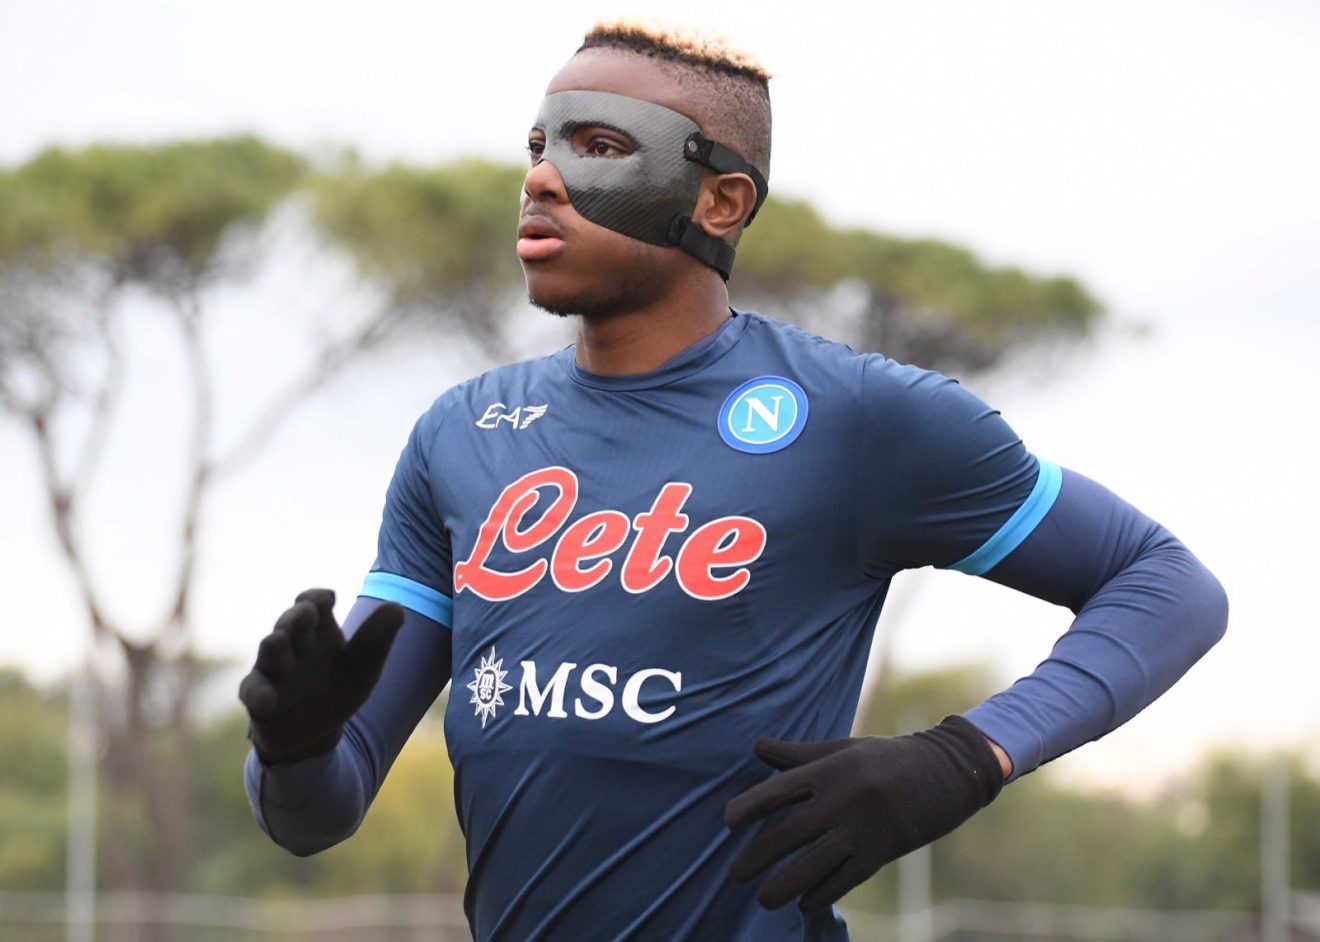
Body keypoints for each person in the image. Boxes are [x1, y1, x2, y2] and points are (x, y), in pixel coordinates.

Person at [239, 19, 1228, 942]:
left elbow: (1167, 586)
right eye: (538, 147)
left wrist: (964, 757)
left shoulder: (859, 418)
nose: (541, 179)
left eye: (599, 146)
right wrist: (293, 748)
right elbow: (316, 817)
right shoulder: (460, 436)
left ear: (721, 201)